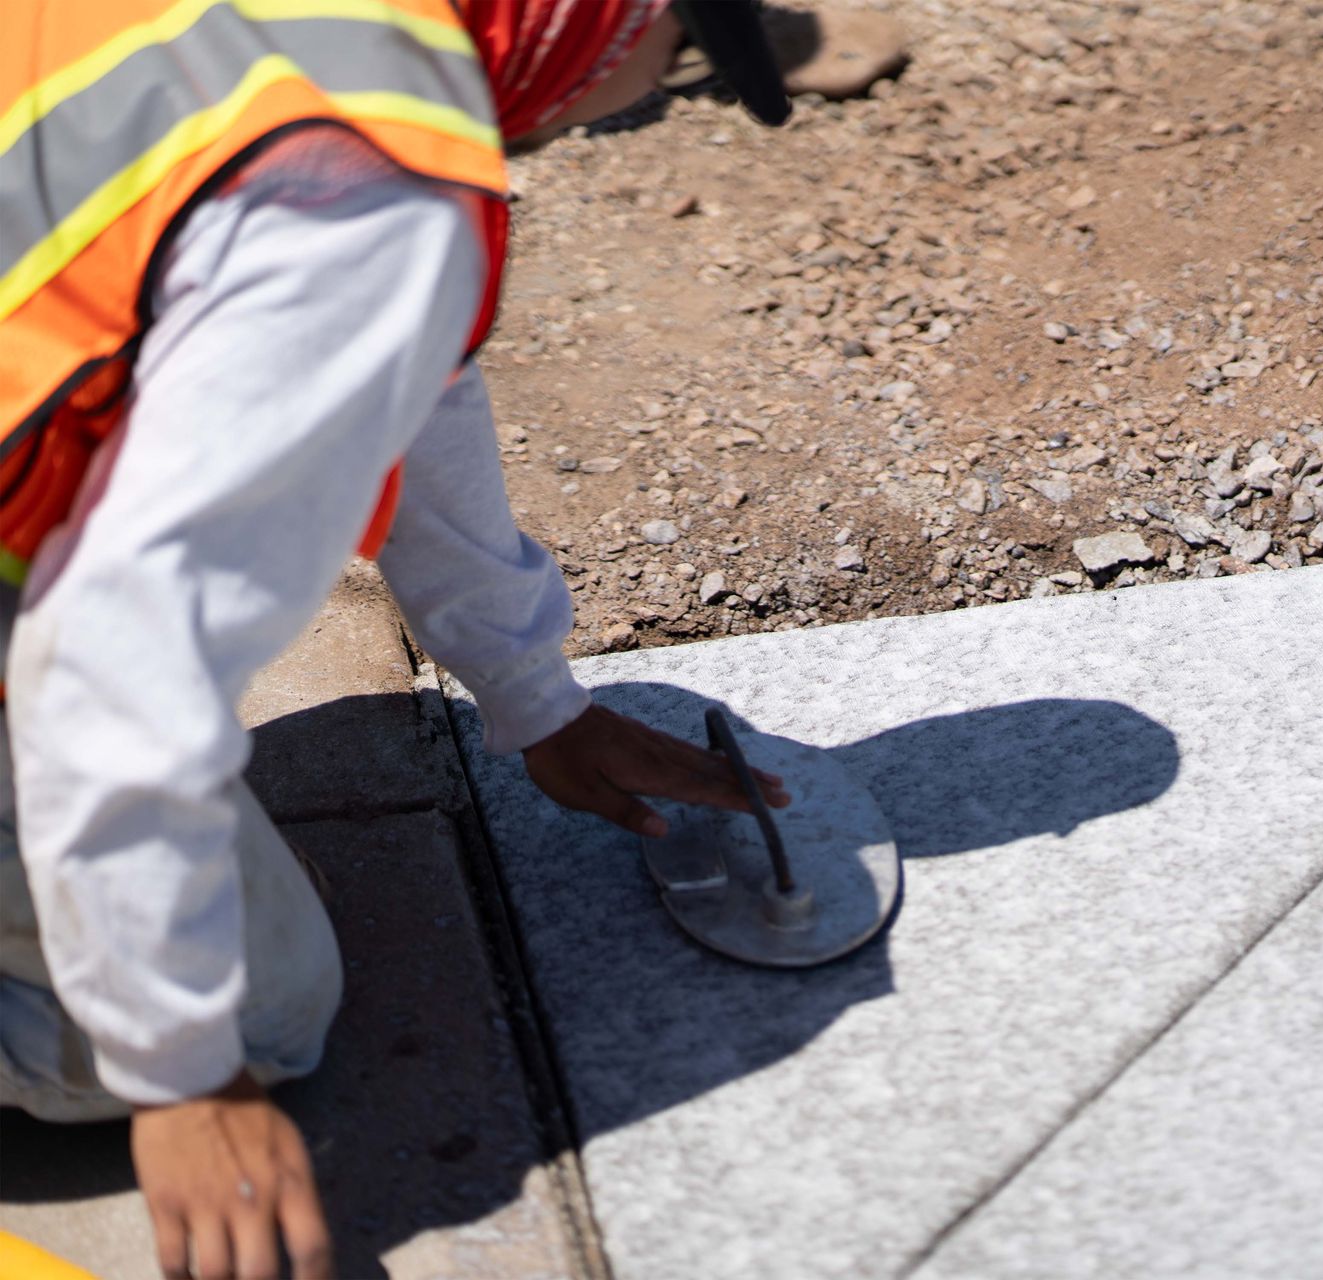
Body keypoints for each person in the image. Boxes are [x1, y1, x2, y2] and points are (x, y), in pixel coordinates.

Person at [0, 2, 813, 1275]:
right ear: (612, 23)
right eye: (686, 53)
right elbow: (110, 660)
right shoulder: (369, 183)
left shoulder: (342, 52)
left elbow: (407, 382)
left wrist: (529, 689)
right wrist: (179, 1072)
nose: (656, 90)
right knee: (255, 1005)